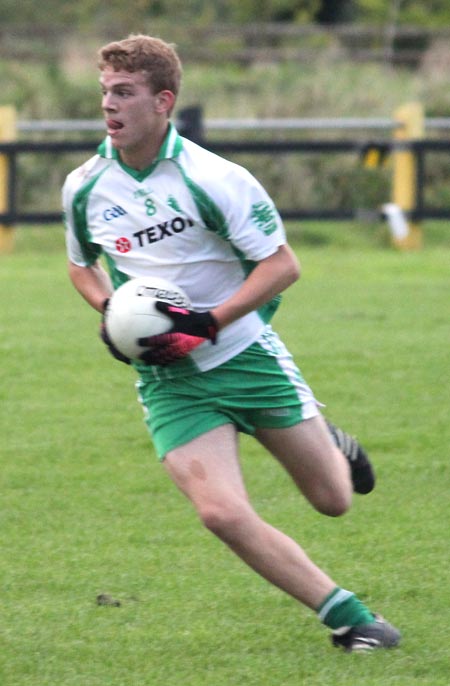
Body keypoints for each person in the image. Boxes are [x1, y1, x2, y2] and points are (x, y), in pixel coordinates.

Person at [62, 34, 400, 652]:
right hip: (170, 380)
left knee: (334, 501)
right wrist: (111, 310)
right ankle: (351, 620)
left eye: (125, 93)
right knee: (219, 513)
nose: (110, 106)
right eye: (106, 92)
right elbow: (81, 264)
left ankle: (329, 443)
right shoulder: (84, 186)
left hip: (244, 354)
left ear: (163, 101)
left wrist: (207, 323)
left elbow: (281, 265)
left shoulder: (215, 178)